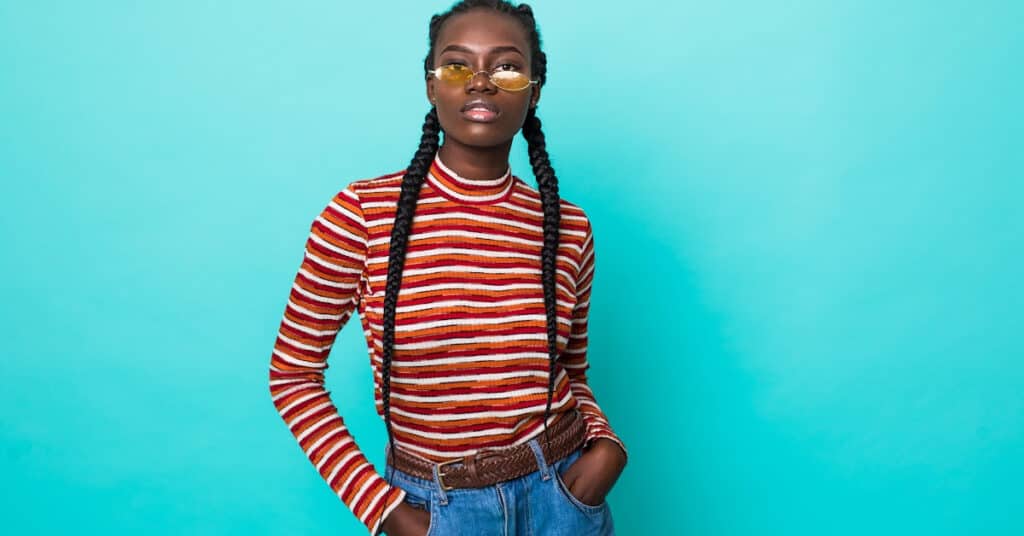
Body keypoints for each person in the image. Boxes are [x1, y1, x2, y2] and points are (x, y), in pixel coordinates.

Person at [268, 1, 627, 534]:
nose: (481, 82)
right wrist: (385, 510)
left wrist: (606, 452)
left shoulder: (568, 227)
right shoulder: (361, 216)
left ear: (535, 89)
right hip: (436, 511)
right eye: (458, 65)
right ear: (432, 85)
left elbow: (571, 373)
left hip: (565, 498)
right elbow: (292, 376)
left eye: (506, 66)